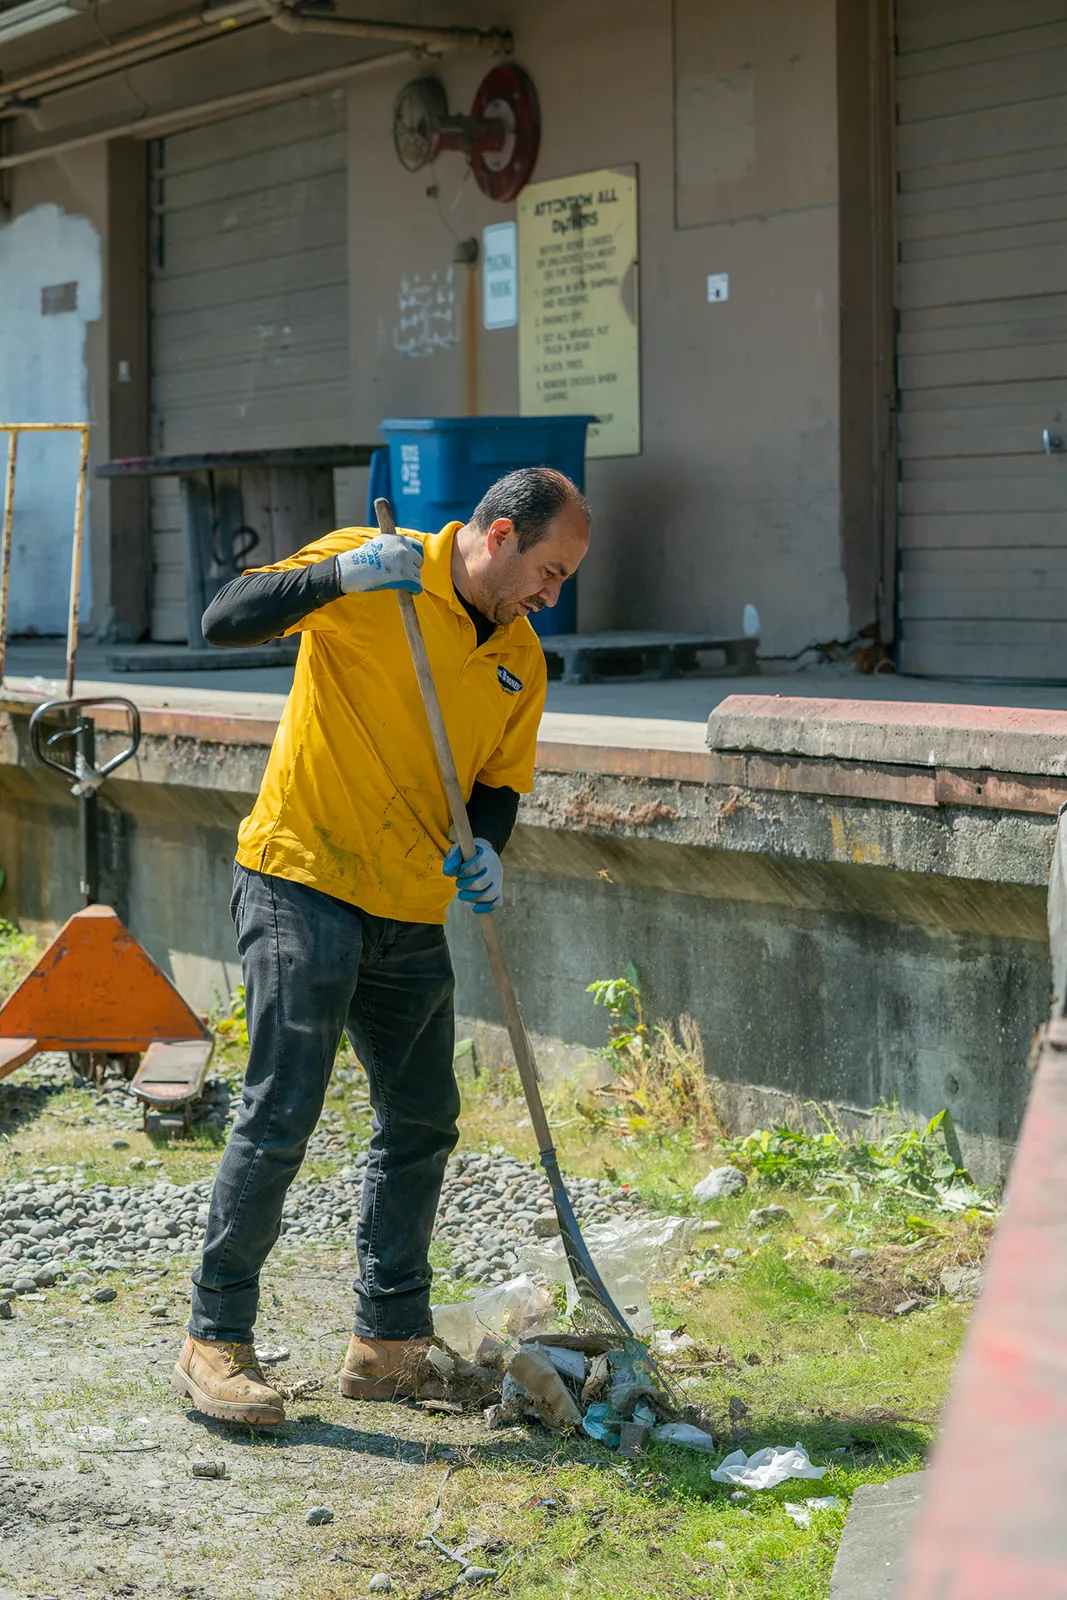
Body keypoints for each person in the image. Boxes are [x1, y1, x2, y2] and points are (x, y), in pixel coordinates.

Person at [171, 467, 591, 1425]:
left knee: (421, 1120)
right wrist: (340, 578)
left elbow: (497, 782)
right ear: (496, 536)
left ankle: (388, 1342)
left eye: (563, 578)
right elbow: (225, 617)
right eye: (548, 569)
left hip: (407, 903)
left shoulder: (521, 656)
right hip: (303, 877)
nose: (551, 594)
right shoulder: (377, 573)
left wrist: (489, 845)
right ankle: (214, 1339)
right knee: (282, 1111)